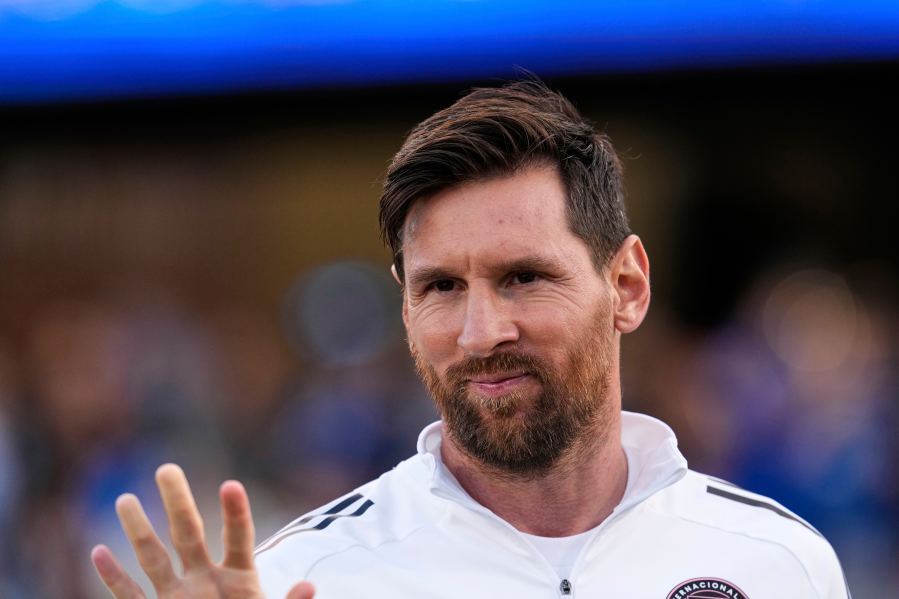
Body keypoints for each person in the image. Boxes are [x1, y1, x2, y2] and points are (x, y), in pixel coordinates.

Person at [91, 79, 851, 599]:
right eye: (441, 287)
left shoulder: (778, 562)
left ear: (625, 285)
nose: (481, 331)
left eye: (523, 277)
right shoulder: (306, 575)